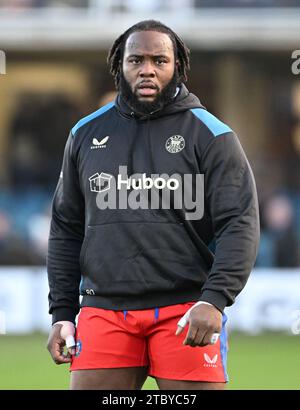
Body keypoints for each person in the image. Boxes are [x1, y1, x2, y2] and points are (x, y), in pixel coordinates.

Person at [46, 20, 260, 390]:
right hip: (104, 309)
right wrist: (63, 313)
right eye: (136, 60)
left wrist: (215, 300)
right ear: (119, 66)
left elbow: (239, 223)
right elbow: (66, 228)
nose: (147, 69)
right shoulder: (84, 134)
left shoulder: (213, 135)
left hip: (186, 309)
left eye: (160, 60)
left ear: (178, 66)